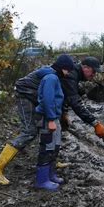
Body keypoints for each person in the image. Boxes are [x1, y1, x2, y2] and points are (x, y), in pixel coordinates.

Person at [0, 56, 104, 186]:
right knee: (29, 131)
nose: (94, 75)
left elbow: (62, 95)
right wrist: (94, 122)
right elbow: (73, 102)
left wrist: (64, 113)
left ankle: (51, 162)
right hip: (26, 95)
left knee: (55, 130)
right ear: (85, 68)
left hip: (40, 98)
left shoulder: (71, 73)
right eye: (94, 71)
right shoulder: (68, 73)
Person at [34, 54, 72, 191]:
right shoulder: (51, 78)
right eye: (68, 70)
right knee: (47, 146)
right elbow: (47, 100)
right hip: (46, 117)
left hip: (53, 117)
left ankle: (50, 175)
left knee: (55, 146)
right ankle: (41, 180)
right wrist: (50, 119)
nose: (68, 74)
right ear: (63, 68)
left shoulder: (55, 77)